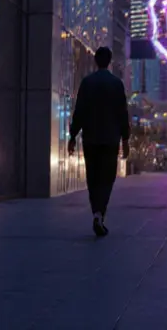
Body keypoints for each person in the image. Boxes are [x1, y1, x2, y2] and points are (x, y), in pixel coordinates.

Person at [67, 46, 130, 237]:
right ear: (109, 61)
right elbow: (122, 114)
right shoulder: (116, 84)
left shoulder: (87, 83)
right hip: (110, 140)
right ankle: (100, 213)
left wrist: (72, 136)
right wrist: (125, 139)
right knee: (107, 178)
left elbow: (79, 111)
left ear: (95, 61)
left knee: (93, 178)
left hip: (91, 139)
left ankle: (96, 212)